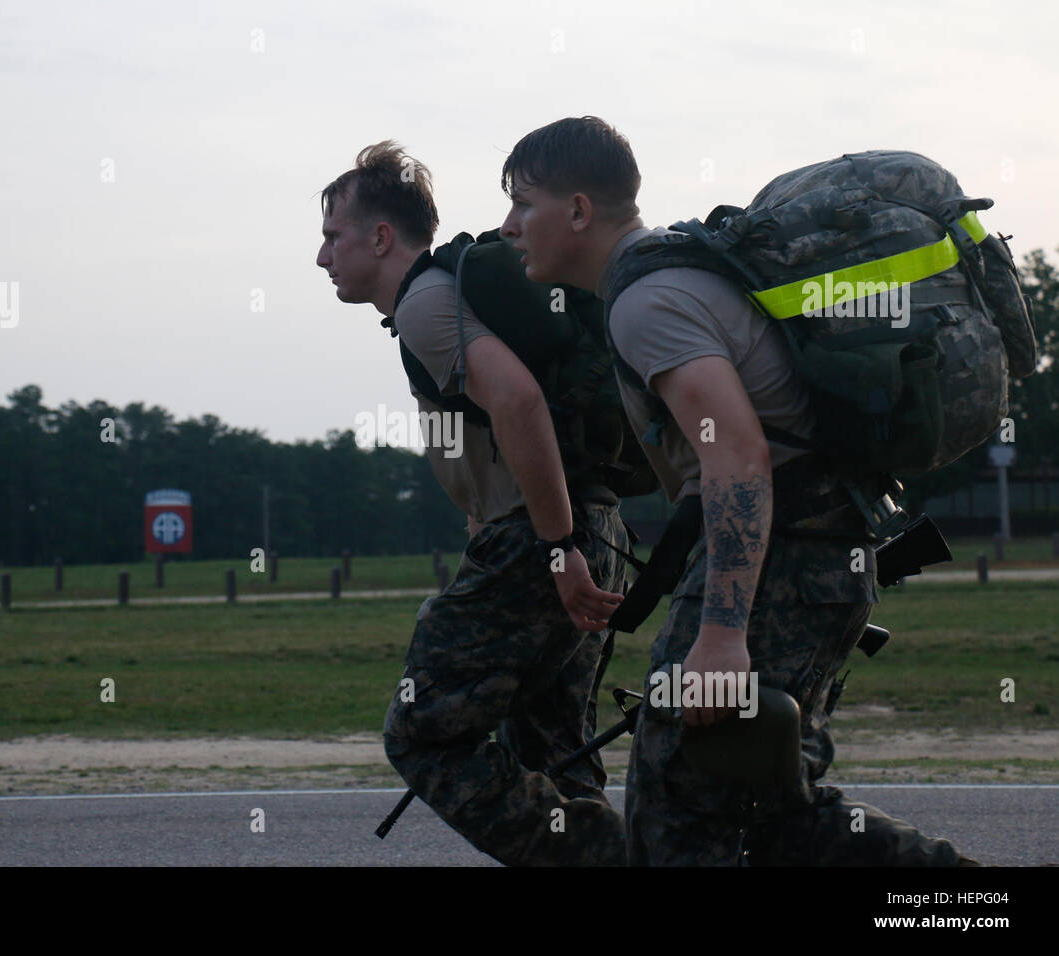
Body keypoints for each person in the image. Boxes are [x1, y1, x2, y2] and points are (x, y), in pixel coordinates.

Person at [498, 116, 974, 866]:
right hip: (812, 560)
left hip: (779, 568)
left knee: (673, 811)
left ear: (579, 211)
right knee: (774, 810)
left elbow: (739, 456)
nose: (509, 226)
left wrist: (720, 636)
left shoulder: (646, 301)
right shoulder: (663, 280)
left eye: (523, 203)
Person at [316, 141, 636, 865]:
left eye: (334, 236)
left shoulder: (427, 303)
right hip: (595, 529)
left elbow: (518, 400)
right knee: (553, 752)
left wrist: (555, 548)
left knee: (422, 731)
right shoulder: (436, 300)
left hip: (542, 540)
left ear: (380, 237)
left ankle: (634, 859)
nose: (322, 257)